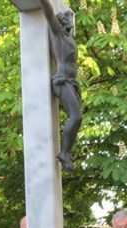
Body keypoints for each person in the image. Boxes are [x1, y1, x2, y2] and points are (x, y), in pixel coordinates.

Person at [39, 0, 82, 172]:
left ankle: (66, 152)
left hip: (71, 83)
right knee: (76, 117)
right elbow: (48, 11)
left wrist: (70, 13)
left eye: (69, 18)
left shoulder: (69, 38)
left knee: (78, 119)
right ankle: (64, 153)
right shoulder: (57, 33)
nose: (69, 20)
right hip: (61, 80)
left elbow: (70, 14)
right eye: (65, 18)